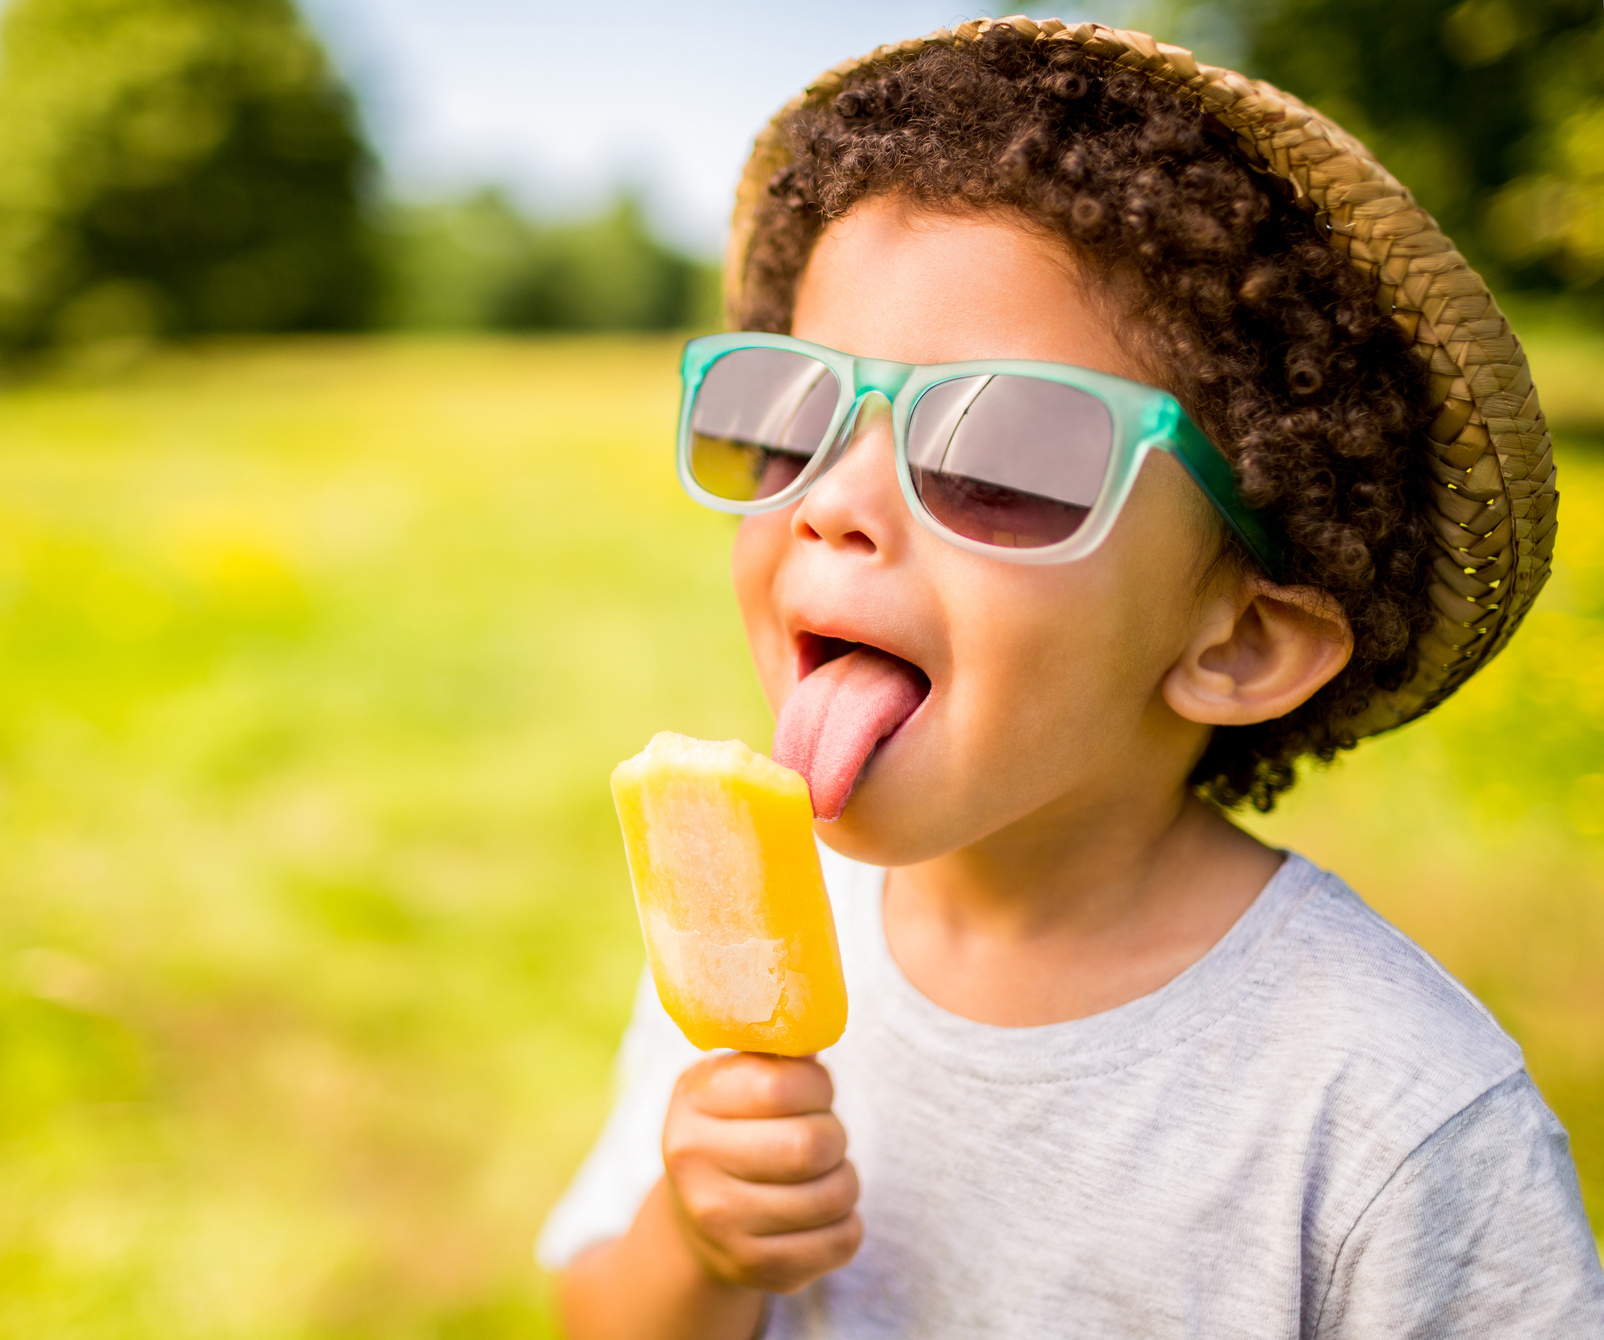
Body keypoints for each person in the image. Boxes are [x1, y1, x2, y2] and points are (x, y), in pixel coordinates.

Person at [538, 16, 1603, 1338]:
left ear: (1239, 641)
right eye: (789, 421)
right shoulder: (757, 928)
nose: (833, 504)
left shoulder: (1387, 1119)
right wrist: (694, 1244)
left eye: (1004, 460)